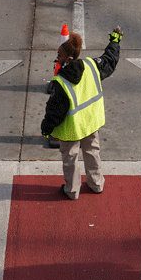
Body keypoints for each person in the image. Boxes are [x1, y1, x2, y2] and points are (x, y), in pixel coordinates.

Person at [41, 28, 122, 200]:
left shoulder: (60, 82)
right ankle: (96, 184)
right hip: (91, 123)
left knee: (70, 159)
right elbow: (109, 60)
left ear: (68, 59)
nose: (57, 58)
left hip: (71, 129)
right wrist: (115, 41)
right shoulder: (92, 66)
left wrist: (46, 129)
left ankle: (72, 190)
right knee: (92, 152)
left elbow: (54, 112)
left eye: (59, 55)